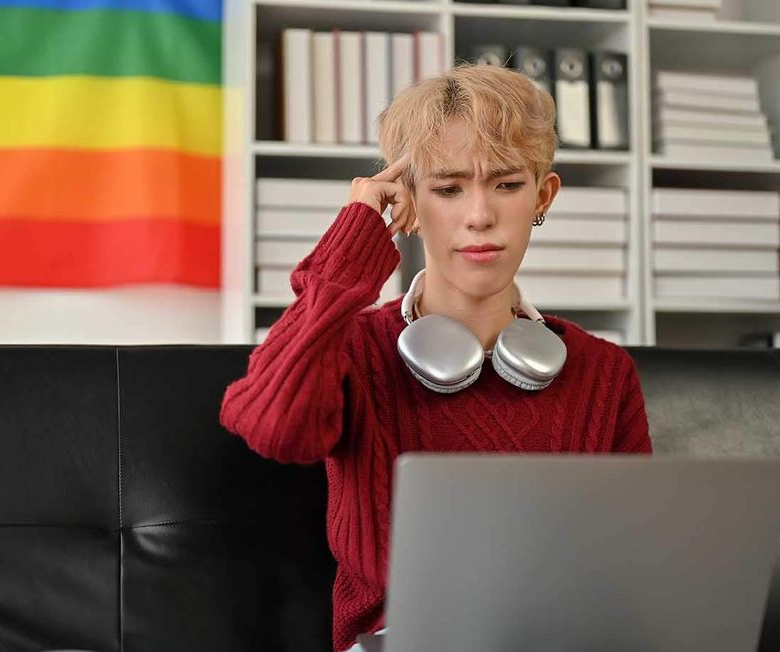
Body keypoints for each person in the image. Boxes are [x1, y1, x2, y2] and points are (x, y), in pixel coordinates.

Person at [219, 62, 652, 652]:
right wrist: (354, 243)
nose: (479, 215)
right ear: (410, 203)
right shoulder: (354, 350)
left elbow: (633, 569)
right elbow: (272, 425)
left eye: (507, 184)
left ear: (543, 196)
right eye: (448, 189)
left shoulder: (604, 372)